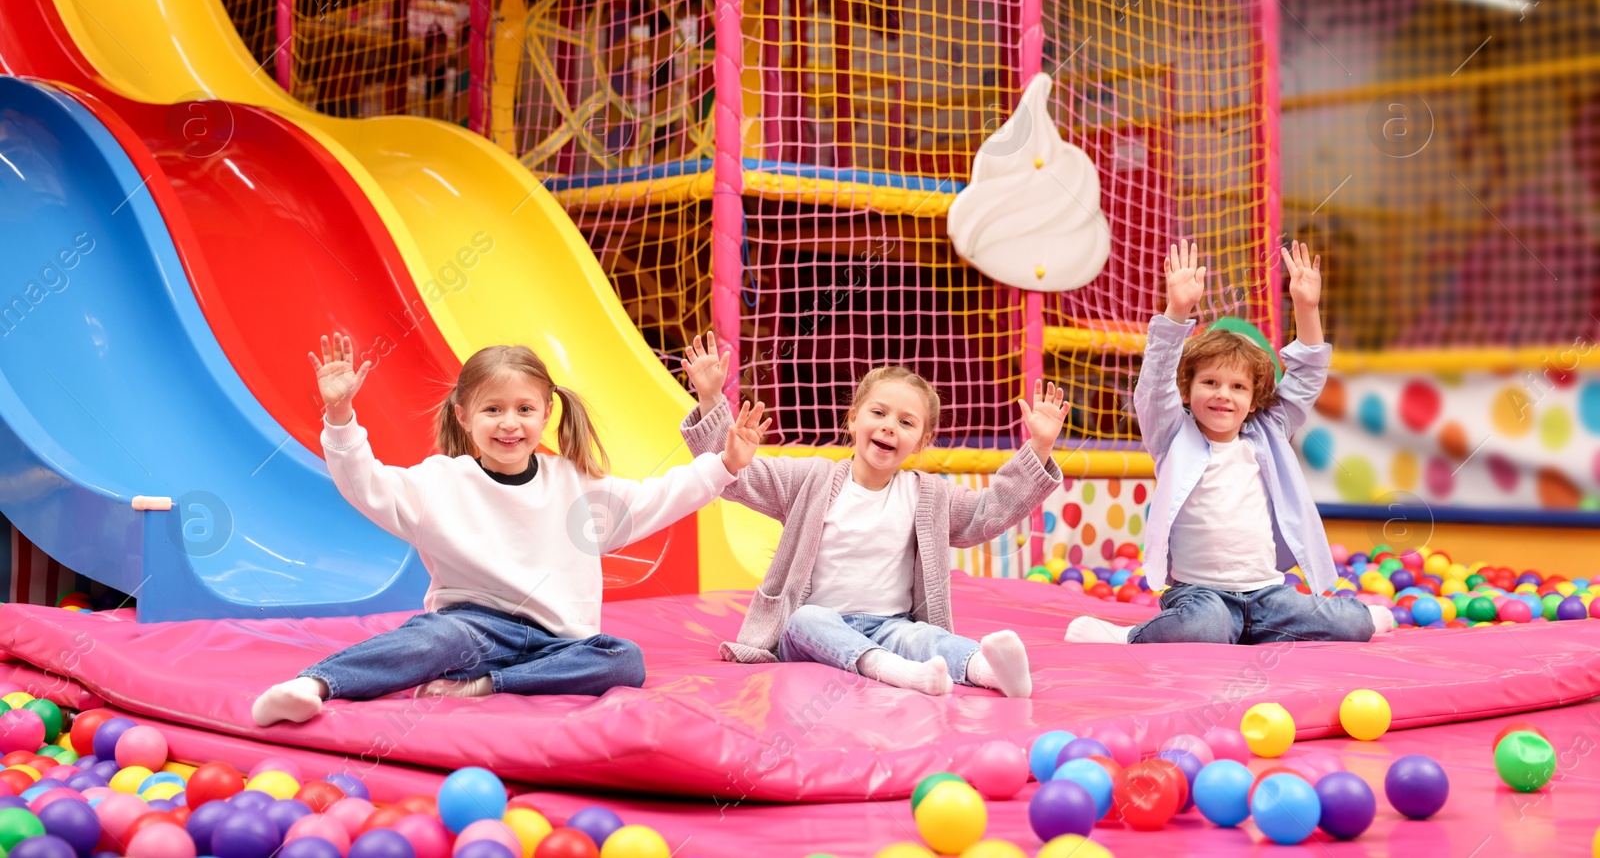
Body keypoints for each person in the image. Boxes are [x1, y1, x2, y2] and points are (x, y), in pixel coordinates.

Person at [251, 334, 767, 725]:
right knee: (430, 641)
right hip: (472, 628)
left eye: (524, 410)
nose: (509, 423)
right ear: (464, 415)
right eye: (492, 410)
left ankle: (484, 687)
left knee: (623, 660)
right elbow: (364, 483)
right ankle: (315, 686)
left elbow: (662, 497)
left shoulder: (576, 486)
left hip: (559, 643)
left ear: (546, 414)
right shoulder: (440, 483)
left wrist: (725, 463)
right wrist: (339, 414)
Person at [679, 335, 1067, 696]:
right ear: (853, 419)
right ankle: (893, 670)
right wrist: (712, 399)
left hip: (891, 626)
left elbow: (987, 512)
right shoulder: (811, 479)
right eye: (878, 412)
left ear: (921, 441)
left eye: (906, 422)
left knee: (923, 638)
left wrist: (1039, 446)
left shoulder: (927, 495)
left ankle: (989, 670)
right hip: (818, 630)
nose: (888, 426)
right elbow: (736, 476)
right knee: (803, 619)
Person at [1066, 239, 1387, 645]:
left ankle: (1312, 621)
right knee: (1206, 627)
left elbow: (1306, 379)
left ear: (1254, 399)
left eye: (1238, 386)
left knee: (1353, 625)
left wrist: (1306, 309)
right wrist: (1177, 311)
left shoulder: (1268, 431)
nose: (1223, 394)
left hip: (1267, 594)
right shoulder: (1172, 434)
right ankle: (1131, 635)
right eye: (1210, 383)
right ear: (1187, 390)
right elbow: (1153, 385)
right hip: (1201, 595)